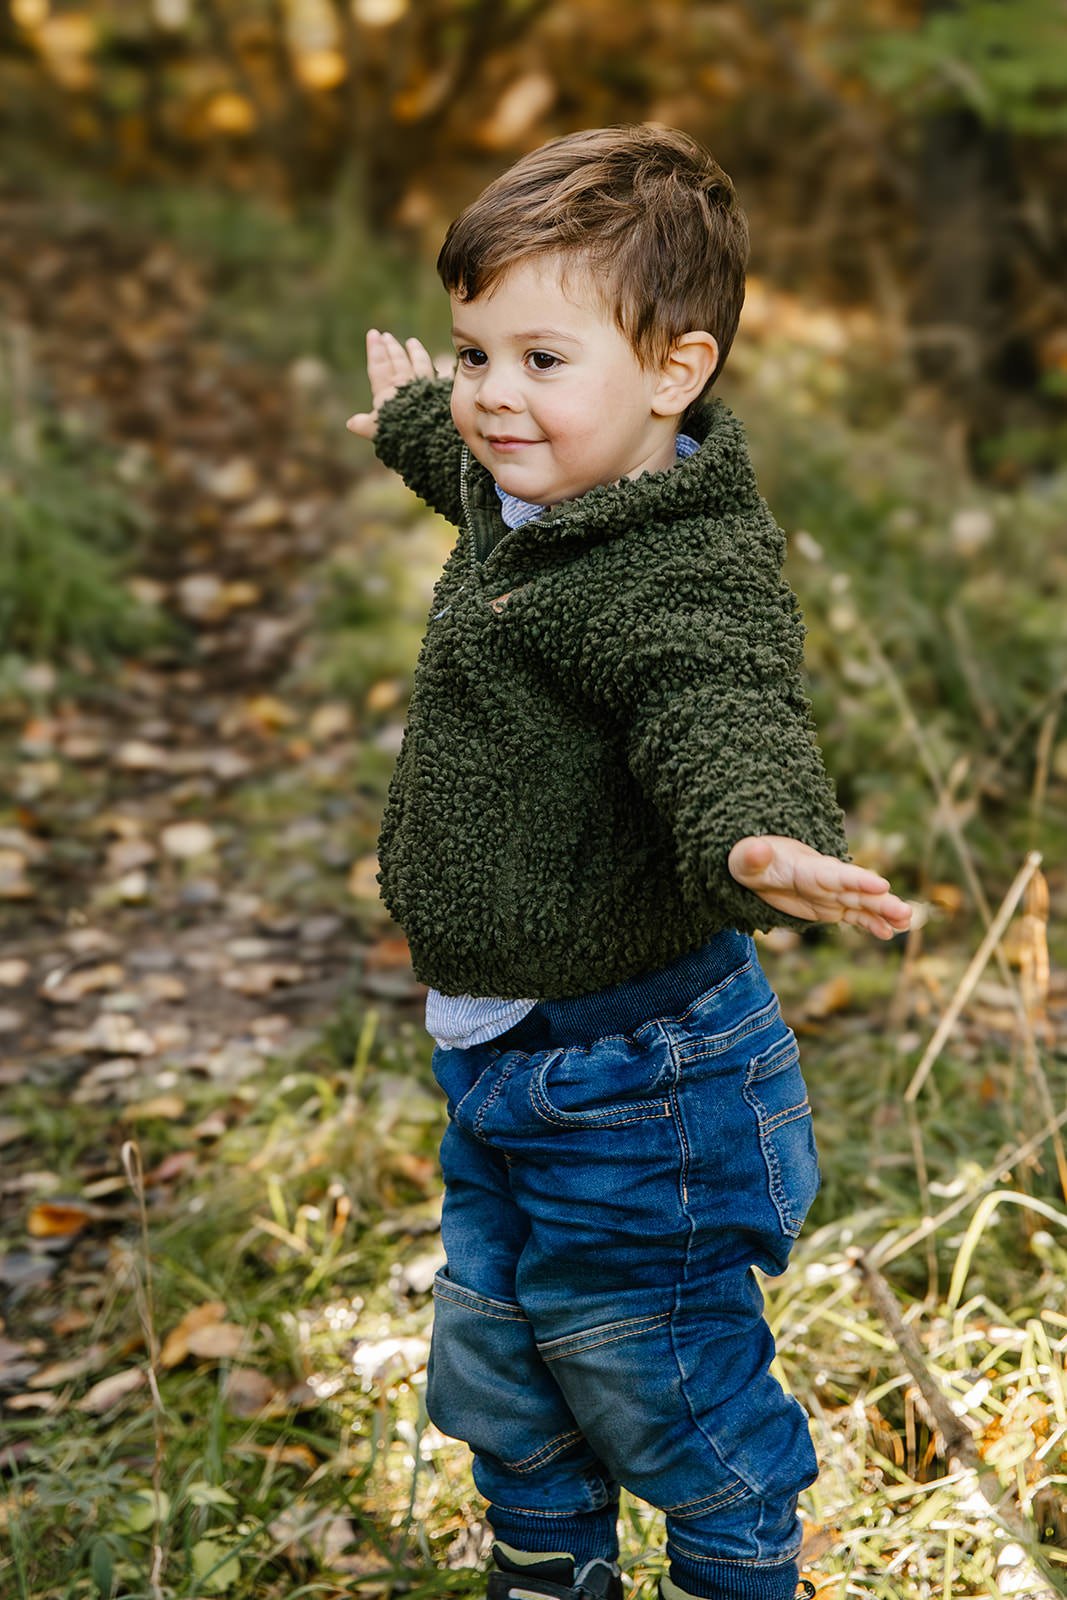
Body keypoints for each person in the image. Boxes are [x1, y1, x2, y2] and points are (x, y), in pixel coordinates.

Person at [347, 125, 911, 1600]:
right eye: (474, 353)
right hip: (502, 1059)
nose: (491, 398)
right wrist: (414, 410)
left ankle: (738, 1576)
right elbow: (466, 469)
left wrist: (763, 842)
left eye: (541, 360)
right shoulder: (537, 484)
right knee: (501, 1367)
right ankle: (547, 1572)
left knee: (659, 1390)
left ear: (676, 370)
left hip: (641, 1084)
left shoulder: (679, 572)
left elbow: (719, 713)